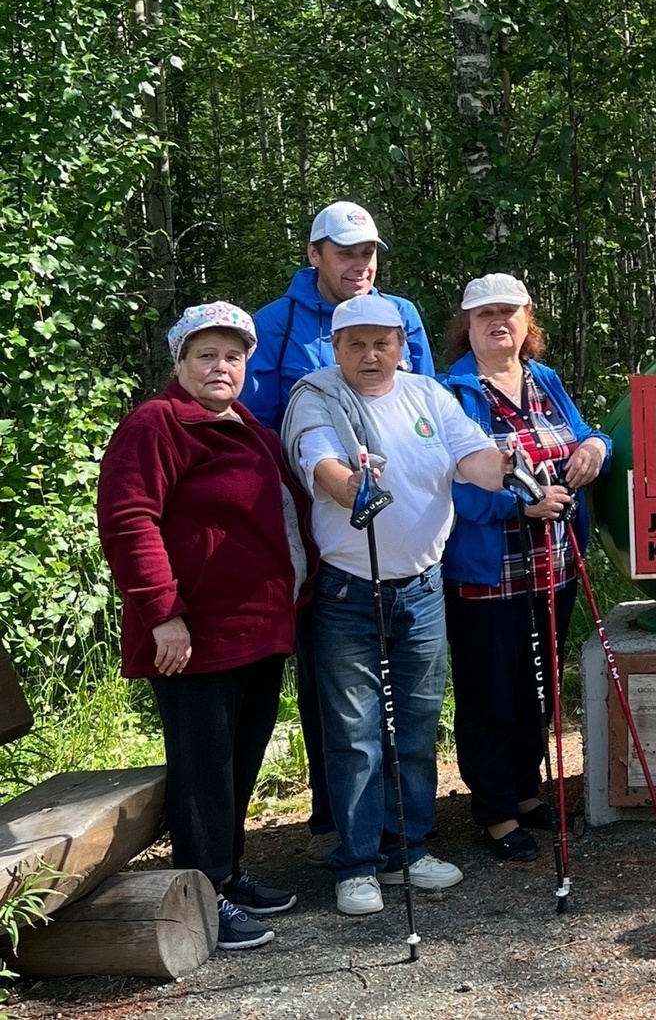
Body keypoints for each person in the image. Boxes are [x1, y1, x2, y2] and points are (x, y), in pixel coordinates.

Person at [281, 294, 511, 916]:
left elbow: (474, 458)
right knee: (355, 735)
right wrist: (352, 485)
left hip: (422, 587)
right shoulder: (317, 394)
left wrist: (509, 464)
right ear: (336, 348)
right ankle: (356, 864)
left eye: (382, 342)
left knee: (414, 724)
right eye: (356, 344)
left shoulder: (428, 395)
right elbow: (317, 459)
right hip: (348, 590)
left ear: (401, 345)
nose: (370, 355)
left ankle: (406, 849)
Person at [97, 303, 312, 951]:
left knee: (238, 763)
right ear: (181, 362)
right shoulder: (156, 425)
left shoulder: (250, 429)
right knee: (203, 770)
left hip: (257, 629)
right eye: (206, 355)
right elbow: (129, 519)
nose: (221, 367)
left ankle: (228, 872)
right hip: (191, 638)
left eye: (233, 356)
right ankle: (202, 895)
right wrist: (162, 612)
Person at [240, 201, 435, 867]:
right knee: (342, 692)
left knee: (409, 696)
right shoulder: (277, 323)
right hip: (317, 528)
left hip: (400, 530)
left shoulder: (400, 313)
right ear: (314, 255)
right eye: (346, 252)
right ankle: (343, 827)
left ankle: (404, 831)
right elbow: (261, 430)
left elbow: (422, 405)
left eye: (368, 252)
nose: (361, 264)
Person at [439, 273, 611, 861]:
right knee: (491, 689)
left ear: (527, 319)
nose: (498, 323)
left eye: (509, 312)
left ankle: (526, 789)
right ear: (467, 325)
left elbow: (584, 434)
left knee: (539, 683)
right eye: (484, 314)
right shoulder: (451, 393)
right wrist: (520, 501)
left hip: (554, 566)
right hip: (488, 572)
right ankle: (492, 808)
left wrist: (596, 449)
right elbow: (450, 486)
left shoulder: (544, 379)